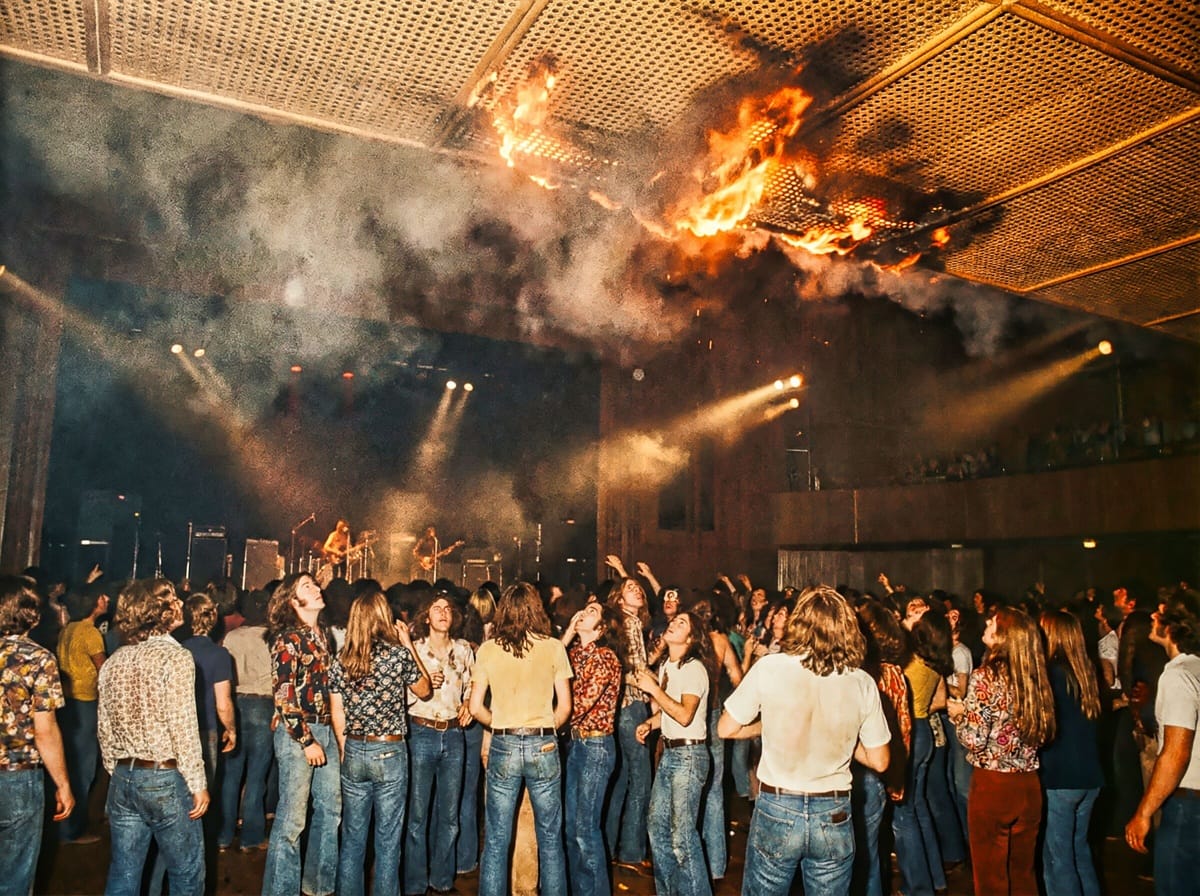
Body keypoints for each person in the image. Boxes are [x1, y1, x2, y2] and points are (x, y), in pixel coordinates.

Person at [718, 585, 890, 896]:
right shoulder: (861, 681)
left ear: (798, 622)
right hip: (833, 810)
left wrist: (767, 724)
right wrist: (842, 736)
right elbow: (880, 760)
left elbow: (726, 728)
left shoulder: (770, 666)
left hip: (778, 805)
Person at [97, 578, 209, 896]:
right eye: (173, 599)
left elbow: (104, 730)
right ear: (160, 611)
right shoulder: (176, 658)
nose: (179, 604)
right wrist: (197, 783)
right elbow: (183, 725)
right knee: (186, 874)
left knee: (123, 873)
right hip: (165, 777)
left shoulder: (114, 661)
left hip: (122, 777)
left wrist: (119, 771)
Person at [468, 581, 572, 896]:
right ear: (536, 609)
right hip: (543, 742)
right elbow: (565, 707)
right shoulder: (554, 647)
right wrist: (544, 729)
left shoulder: (488, 649)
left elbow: (474, 707)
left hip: (504, 742)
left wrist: (500, 723)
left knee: (497, 839)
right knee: (551, 838)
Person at [947, 607, 1055, 896]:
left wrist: (960, 716)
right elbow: (1042, 734)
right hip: (1029, 785)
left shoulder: (985, 678)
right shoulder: (1035, 676)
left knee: (991, 880)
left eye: (992, 622)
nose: (986, 622)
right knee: (1023, 876)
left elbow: (974, 739)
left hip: (992, 786)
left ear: (1003, 637)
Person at [330, 590, 431, 896]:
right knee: (388, 841)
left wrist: (346, 750)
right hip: (390, 750)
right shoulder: (397, 655)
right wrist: (409, 645)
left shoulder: (341, 660)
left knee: (352, 839)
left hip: (355, 748)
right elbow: (424, 689)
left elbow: (337, 714)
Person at [262, 573, 340, 896]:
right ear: (294, 602)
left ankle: (318, 887)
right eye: (307, 586)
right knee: (292, 820)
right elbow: (283, 694)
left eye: (315, 584)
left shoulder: (324, 635)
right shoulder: (288, 639)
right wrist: (306, 740)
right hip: (300, 733)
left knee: (332, 808)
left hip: (326, 728)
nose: (317, 588)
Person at [0, 574, 74, 896]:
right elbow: (45, 732)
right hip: (17, 778)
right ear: (34, 614)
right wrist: (63, 784)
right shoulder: (39, 658)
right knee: (15, 878)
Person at [1125, 589, 1200, 895]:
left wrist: (1143, 813)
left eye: (1159, 613)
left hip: (1187, 804)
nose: (1152, 617)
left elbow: (1176, 753)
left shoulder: (1178, 676)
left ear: (1171, 628)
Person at [635, 610, 715, 896]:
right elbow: (670, 713)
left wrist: (654, 690)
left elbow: (684, 715)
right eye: (673, 620)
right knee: (656, 828)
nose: (673, 623)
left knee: (682, 836)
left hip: (689, 757)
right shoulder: (669, 664)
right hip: (671, 754)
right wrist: (649, 723)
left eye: (682, 623)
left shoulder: (694, 668)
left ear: (691, 638)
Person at [405, 593, 474, 896]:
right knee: (418, 815)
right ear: (426, 617)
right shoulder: (414, 651)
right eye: (436, 608)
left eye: (447, 609)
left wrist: (471, 702)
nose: (443, 613)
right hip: (421, 733)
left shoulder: (463, 650)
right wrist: (420, 689)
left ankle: (442, 881)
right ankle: (416, 884)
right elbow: (400, 696)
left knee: (449, 816)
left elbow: (474, 683)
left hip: (454, 735)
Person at [560, 598, 624, 896]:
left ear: (601, 630)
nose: (584, 612)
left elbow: (580, 704)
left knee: (585, 829)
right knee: (572, 828)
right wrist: (569, 633)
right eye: (584, 609)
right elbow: (549, 671)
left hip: (596, 747)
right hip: (577, 744)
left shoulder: (606, 657)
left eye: (592, 612)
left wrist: (543, 722)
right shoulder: (573, 653)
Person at [1039, 610, 1103, 896]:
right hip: (1090, 777)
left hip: (1061, 778)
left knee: (1058, 861)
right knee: (1079, 851)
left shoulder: (1050, 675)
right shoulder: (1086, 671)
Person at [604, 564, 653, 869]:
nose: (637, 590)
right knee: (641, 780)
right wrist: (649, 686)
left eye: (639, 587)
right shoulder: (628, 623)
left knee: (622, 779)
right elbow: (628, 670)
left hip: (621, 708)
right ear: (619, 599)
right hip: (632, 707)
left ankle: (609, 845)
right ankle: (632, 851)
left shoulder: (629, 623)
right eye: (630, 588)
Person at [218, 589, 275, 852]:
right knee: (257, 775)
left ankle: (224, 835)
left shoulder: (232, 636)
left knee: (231, 774)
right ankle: (251, 837)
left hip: (236, 702)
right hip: (264, 704)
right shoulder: (272, 637)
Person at [55, 579, 109, 844]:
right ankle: (72, 830)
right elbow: (105, 671)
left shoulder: (68, 628)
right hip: (85, 703)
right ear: (92, 603)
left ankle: (64, 827)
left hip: (66, 703)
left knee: (69, 764)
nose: (106, 600)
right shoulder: (91, 633)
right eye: (102, 597)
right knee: (84, 768)